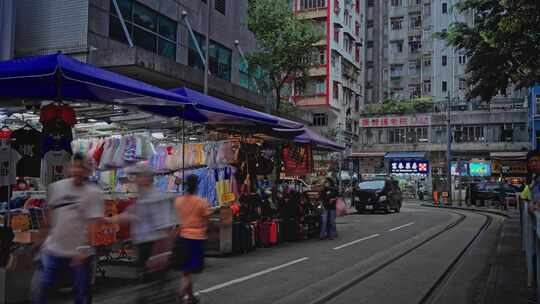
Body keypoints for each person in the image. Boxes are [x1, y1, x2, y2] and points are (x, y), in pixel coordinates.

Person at [33, 153, 104, 304]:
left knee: (82, 295)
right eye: (75, 166)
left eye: (82, 167)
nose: (78, 170)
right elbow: (48, 217)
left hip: (79, 254)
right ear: (69, 168)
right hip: (52, 250)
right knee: (41, 292)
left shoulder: (94, 193)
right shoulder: (56, 188)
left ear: (88, 171)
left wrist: (84, 249)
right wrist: (40, 241)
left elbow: (94, 224)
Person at [108, 164, 175, 279]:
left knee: (156, 284)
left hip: (154, 247)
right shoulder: (142, 197)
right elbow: (130, 215)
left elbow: (166, 228)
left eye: (140, 176)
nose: (136, 180)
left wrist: (163, 253)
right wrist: (106, 220)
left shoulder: (157, 197)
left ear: (148, 178)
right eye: (136, 177)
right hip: (142, 246)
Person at [174, 175, 213, 304]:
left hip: (182, 237)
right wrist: (207, 229)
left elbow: (175, 219)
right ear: (196, 186)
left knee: (186, 270)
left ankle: (190, 297)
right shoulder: (201, 202)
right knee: (189, 271)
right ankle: (180, 294)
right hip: (196, 239)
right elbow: (207, 219)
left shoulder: (178, 201)